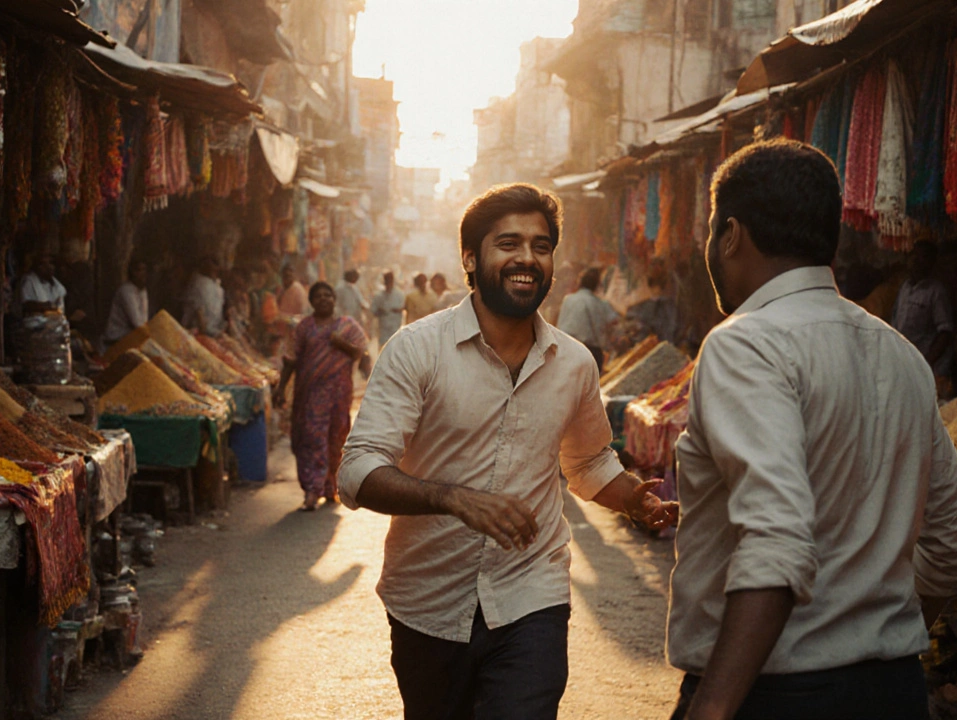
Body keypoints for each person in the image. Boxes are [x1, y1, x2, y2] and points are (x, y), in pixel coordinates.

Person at [666, 140, 957, 720]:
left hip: (775, 695)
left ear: (730, 235)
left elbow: (777, 544)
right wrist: (872, 633)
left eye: (712, 231)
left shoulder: (745, 344)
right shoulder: (902, 355)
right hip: (893, 693)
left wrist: (710, 709)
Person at [339, 183, 677, 720]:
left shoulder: (574, 363)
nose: (527, 258)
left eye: (541, 246)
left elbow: (588, 461)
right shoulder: (416, 349)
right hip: (428, 602)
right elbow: (358, 470)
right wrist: (453, 499)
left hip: (532, 595)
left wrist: (634, 499)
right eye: (508, 243)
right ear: (470, 258)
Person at [274, 282, 368, 511]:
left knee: (336, 440)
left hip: (339, 396)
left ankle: (330, 487)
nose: (324, 299)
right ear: (312, 302)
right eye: (318, 296)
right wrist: (280, 388)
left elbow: (361, 352)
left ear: (334, 299)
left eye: (328, 295)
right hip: (310, 396)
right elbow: (291, 360)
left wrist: (341, 343)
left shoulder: (347, 326)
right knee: (312, 439)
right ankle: (312, 490)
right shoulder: (304, 328)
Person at [890, 240, 955, 382]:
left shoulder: (936, 292)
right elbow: (895, 321)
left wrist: (926, 362)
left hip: (926, 368)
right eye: (914, 255)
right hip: (903, 363)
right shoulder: (905, 288)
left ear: (931, 262)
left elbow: (945, 332)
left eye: (923, 256)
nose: (916, 260)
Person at [556, 266, 619, 373]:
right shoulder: (599, 303)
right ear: (597, 285)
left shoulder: (568, 299)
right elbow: (614, 320)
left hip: (565, 349)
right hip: (590, 351)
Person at [102, 259, 150, 349]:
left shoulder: (142, 290)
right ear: (132, 272)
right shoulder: (126, 291)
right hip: (116, 339)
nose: (142, 274)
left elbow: (144, 320)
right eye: (138, 270)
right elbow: (137, 323)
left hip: (130, 338)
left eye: (144, 270)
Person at [181, 256, 226, 337]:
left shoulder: (217, 287)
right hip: (196, 333)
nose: (215, 270)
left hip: (212, 332)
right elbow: (201, 321)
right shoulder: (198, 283)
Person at [20, 254, 74, 319]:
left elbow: (60, 307)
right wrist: (45, 306)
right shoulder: (29, 281)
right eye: (42, 264)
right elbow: (25, 305)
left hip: (55, 321)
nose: (48, 267)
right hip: (34, 321)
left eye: (50, 263)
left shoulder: (57, 285)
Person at [369, 271, 405, 347]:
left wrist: (398, 310)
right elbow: (373, 310)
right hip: (383, 331)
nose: (388, 282)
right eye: (387, 280)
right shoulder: (379, 296)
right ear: (384, 281)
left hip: (396, 330)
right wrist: (379, 311)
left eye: (390, 280)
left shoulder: (399, 295)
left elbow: (403, 307)